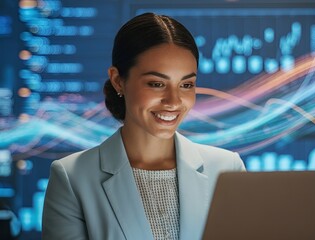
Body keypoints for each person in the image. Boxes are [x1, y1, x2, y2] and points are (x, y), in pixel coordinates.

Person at [42, 12, 246, 240]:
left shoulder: (227, 170)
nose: (174, 101)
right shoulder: (72, 178)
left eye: (186, 84)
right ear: (118, 80)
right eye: (157, 83)